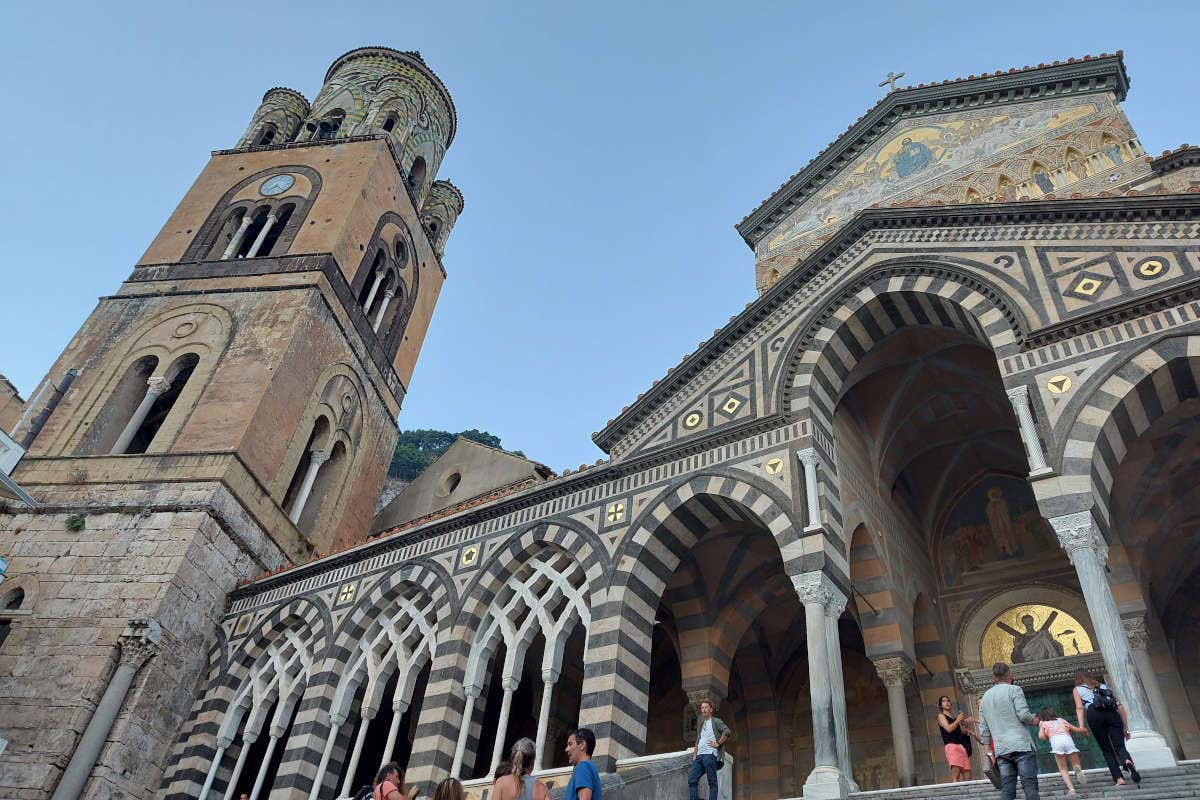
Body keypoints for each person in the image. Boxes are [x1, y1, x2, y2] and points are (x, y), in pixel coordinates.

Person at [978, 662, 1041, 800]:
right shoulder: (1014, 690)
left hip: (1002, 750)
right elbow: (1024, 715)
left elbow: (983, 730)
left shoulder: (984, 699)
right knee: (1029, 786)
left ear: (994, 678)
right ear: (1009, 675)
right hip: (1021, 745)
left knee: (1007, 789)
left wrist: (990, 753)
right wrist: (1034, 720)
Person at [1074, 669, 1140, 786]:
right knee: (1120, 746)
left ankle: (1119, 778)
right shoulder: (1103, 686)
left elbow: (1079, 708)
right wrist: (1125, 727)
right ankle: (1127, 761)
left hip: (1094, 714)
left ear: (1077, 679)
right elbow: (1119, 706)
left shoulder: (1077, 689)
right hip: (1111, 713)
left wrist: (1082, 726)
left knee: (1106, 749)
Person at [1038, 705, 1088, 797]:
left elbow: (1041, 736)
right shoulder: (1061, 720)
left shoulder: (1043, 723)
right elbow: (1076, 729)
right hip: (1067, 739)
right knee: (1075, 762)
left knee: (1063, 768)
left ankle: (1072, 789)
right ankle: (1078, 769)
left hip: (1056, 742)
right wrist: (1084, 730)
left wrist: (1046, 735)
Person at [688, 700, 731, 799]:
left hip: (710, 755)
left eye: (706, 707)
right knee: (692, 779)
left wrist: (718, 743)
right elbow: (698, 739)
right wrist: (695, 754)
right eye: (702, 708)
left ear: (711, 709)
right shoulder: (702, 724)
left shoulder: (716, 721)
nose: (703, 710)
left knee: (712, 782)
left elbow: (727, 731)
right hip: (699, 757)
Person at [936, 695, 981, 781]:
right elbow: (949, 729)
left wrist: (965, 724)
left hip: (961, 746)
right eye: (944, 701)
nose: (947, 703)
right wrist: (958, 719)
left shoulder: (953, 717)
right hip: (952, 746)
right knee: (955, 774)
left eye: (948, 700)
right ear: (940, 705)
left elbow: (961, 732)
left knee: (968, 775)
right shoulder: (941, 716)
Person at [563, 727, 602, 800]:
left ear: (582, 745)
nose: (566, 749)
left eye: (570, 744)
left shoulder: (582, 767)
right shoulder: (589, 767)